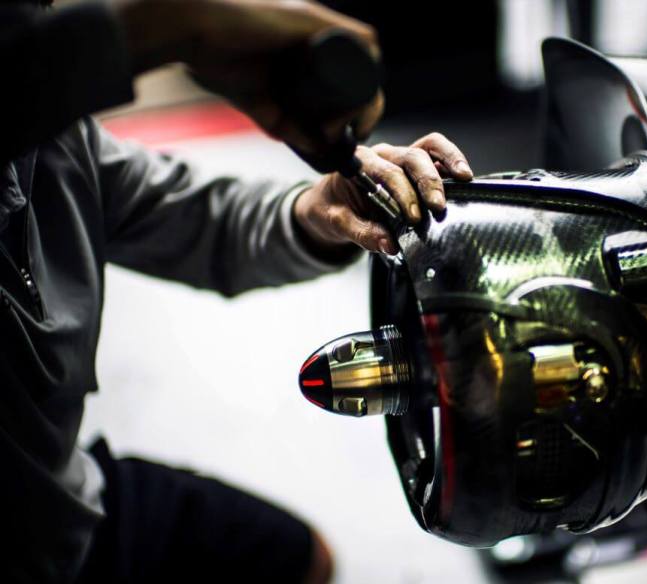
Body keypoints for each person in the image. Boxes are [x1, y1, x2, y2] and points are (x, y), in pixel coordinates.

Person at [0, 0, 474, 581]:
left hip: (68, 512)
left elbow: (202, 218)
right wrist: (174, 28)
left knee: (299, 558)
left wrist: (316, 209)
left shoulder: (57, 144)